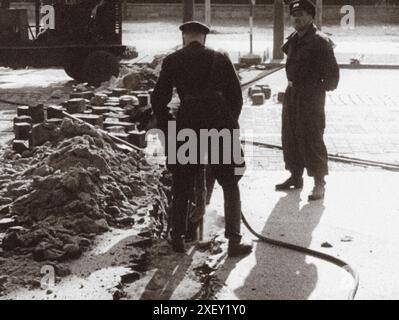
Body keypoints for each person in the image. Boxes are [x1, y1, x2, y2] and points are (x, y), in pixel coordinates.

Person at [152, 21, 252, 257]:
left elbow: (158, 101)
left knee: (182, 183)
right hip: (220, 126)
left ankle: (177, 238)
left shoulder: (173, 60)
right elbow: (236, 98)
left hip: (188, 127)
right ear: (204, 38)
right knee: (230, 183)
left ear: (185, 38)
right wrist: (228, 122)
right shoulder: (220, 58)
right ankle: (234, 241)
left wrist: (170, 126)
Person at [275, 0, 339, 201]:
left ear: (311, 16)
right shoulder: (294, 38)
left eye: (302, 14)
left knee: (311, 136)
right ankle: (295, 176)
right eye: (294, 15)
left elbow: (332, 79)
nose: (297, 18)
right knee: (291, 135)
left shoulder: (320, 41)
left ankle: (319, 183)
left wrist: (314, 89)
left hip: (311, 96)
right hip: (292, 93)